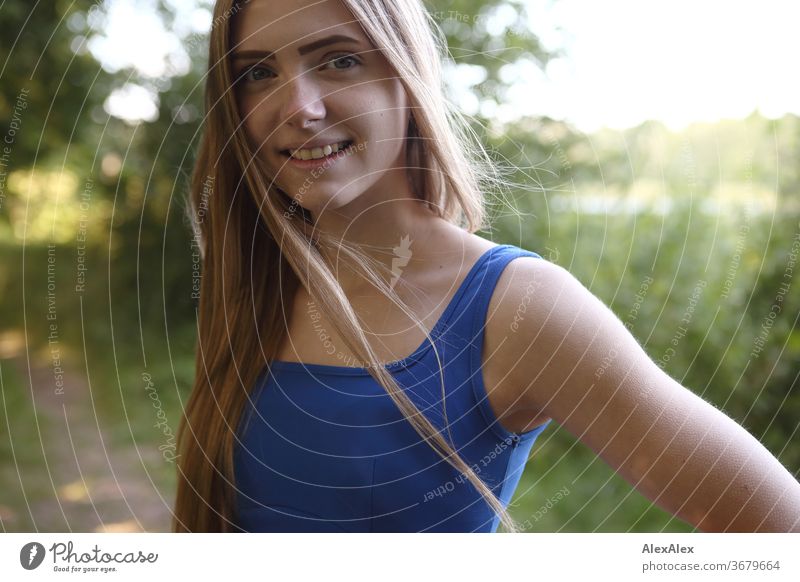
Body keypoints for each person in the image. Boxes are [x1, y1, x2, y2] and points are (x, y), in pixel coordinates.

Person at [172, 0, 800, 533]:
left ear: (406, 73)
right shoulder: (255, 283)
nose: (297, 107)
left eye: (338, 60)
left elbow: (778, 523)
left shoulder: (517, 305)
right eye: (257, 72)